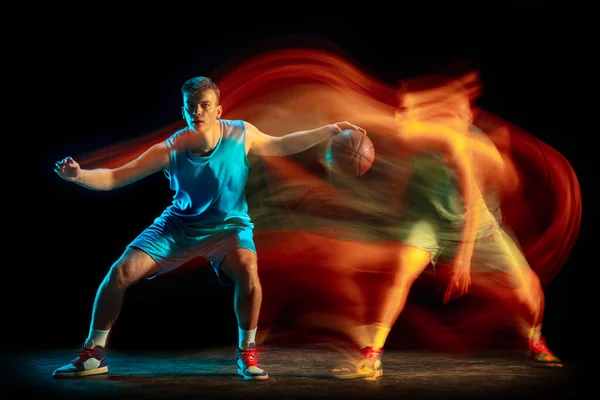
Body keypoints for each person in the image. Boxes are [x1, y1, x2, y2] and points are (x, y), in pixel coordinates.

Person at [52, 76, 365, 380]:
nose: (197, 112)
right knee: (118, 274)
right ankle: (93, 356)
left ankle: (247, 353)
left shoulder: (241, 135)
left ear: (218, 110)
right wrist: (79, 176)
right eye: (191, 106)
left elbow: (281, 145)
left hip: (228, 228)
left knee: (248, 268)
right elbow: (114, 178)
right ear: (184, 110)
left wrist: (328, 130)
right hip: (178, 227)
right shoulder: (170, 149)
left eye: (204, 105)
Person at [329, 73, 564, 380]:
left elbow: (476, 199)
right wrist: (394, 219)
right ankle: (371, 356)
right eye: (446, 111)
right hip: (428, 221)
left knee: (526, 293)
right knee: (400, 271)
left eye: (459, 111)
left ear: (468, 117)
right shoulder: (414, 139)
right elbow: (402, 183)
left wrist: (463, 260)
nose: (451, 116)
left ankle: (535, 341)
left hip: (475, 223)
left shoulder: (466, 145)